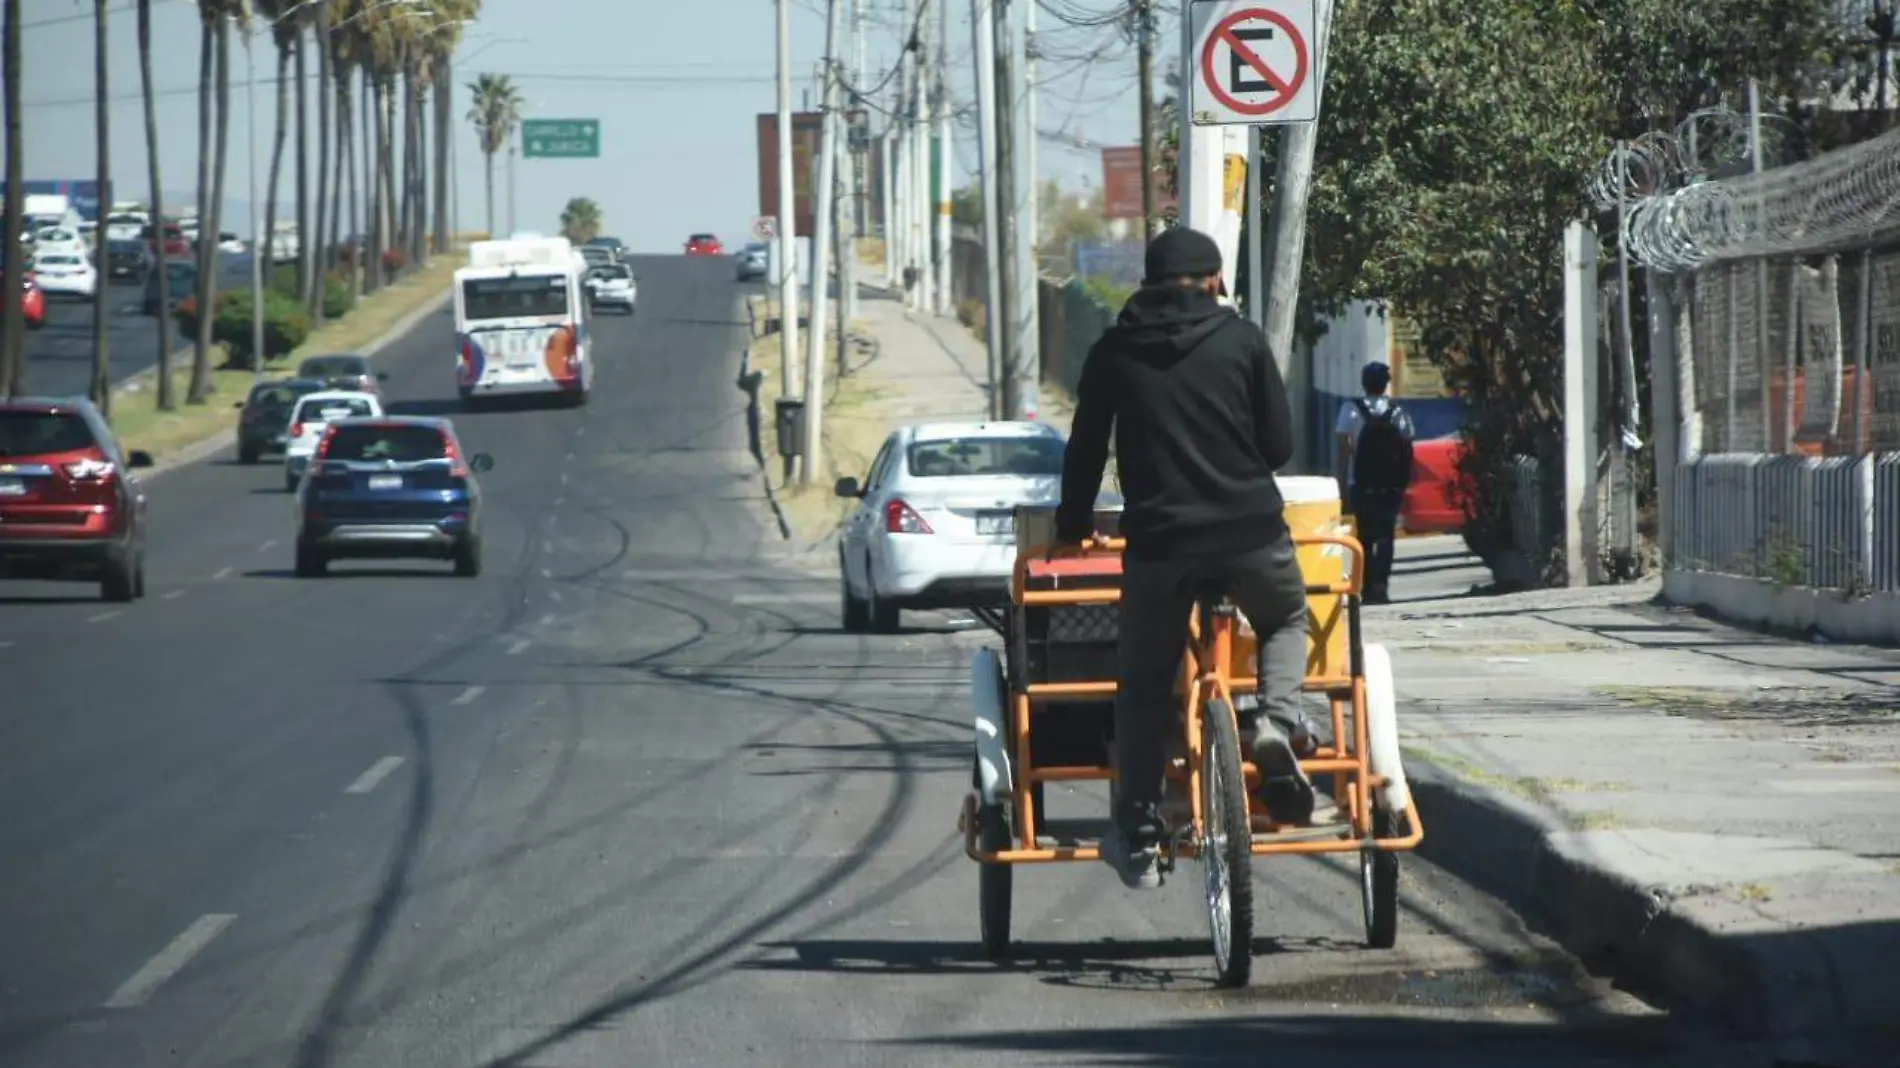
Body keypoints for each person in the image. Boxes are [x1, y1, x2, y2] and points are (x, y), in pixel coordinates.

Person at [1052, 227, 1316, 891]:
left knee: (1142, 683)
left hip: (1161, 545)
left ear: (1150, 282)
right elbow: (1279, 447)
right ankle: (1277, 724)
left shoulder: (1115, 351)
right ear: (1213, 279)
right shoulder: (1245, 341)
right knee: (1285, 618)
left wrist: (1073, 525)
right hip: (1250, 533)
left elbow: (1084, 451)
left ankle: (1138, 826)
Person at [1334, 361, 1416, 605]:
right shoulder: (1398, 412)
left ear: (1363, 383)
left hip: (1362, 484)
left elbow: (1343, 450)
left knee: (1365, 537)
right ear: (1386, 384)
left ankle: (1367, 587)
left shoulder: (1350, 409)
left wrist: (1341, 485)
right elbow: (1408, 447)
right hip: (1391, 486)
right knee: (1386, 535)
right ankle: (1382, 586)